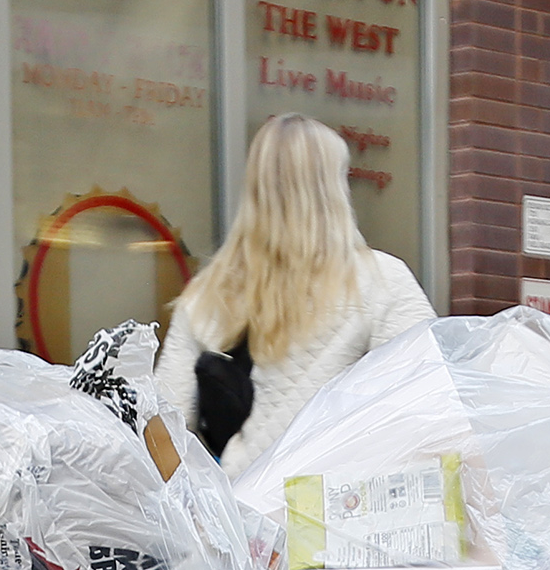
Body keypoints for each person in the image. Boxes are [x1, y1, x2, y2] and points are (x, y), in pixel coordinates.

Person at [151, 114, 434, 469]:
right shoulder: (380, 279)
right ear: (332, 189)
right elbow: (429, 402)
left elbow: (163, 428)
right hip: (348, 506)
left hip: (243, 511)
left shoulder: (207, 297)